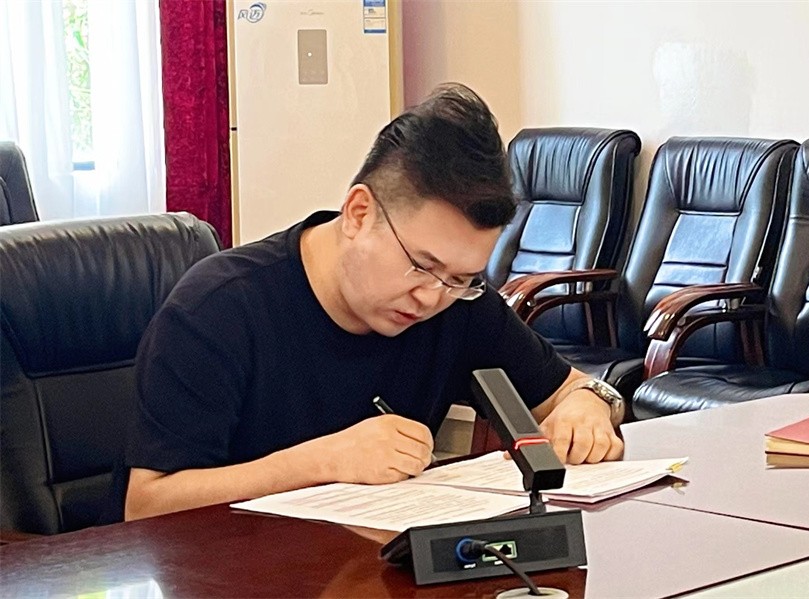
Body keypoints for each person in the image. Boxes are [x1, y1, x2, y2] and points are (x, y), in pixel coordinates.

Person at [122, 83, 624, 521]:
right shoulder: (217, 310)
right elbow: (147, 505)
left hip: (367, 565)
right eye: (421, 265)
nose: (431, 296)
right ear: (359, 214)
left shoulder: (459, 302)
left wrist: (589, 406)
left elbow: (573, 389)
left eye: (461, 278)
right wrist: (322, 462)